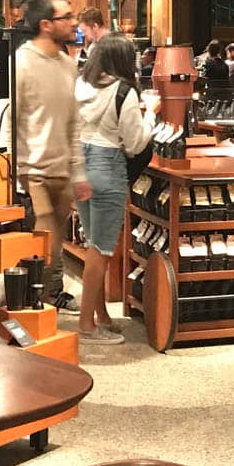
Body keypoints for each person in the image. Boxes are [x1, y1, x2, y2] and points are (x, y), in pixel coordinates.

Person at [74, 34, 153, 345]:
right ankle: (86, 325)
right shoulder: (126, 92)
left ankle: (101, 315)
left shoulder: (81, 85)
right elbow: (135, 143)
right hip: (108, 165)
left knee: (93, 244)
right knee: (101, 248)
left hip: (81, 163)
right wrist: (151, 114)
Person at [15, 0, 91, 308]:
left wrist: (79, 172)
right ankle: (26, 307)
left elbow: (74, 123)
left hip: (62, 172)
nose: (73, 23)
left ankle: (43, 306)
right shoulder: (21, 63)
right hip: (32, 172)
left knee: (55, 248)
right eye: (67, 17)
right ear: (46, 24)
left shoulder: (67, 65)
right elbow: (9, 120)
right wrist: (14, 171)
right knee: (39, 247)